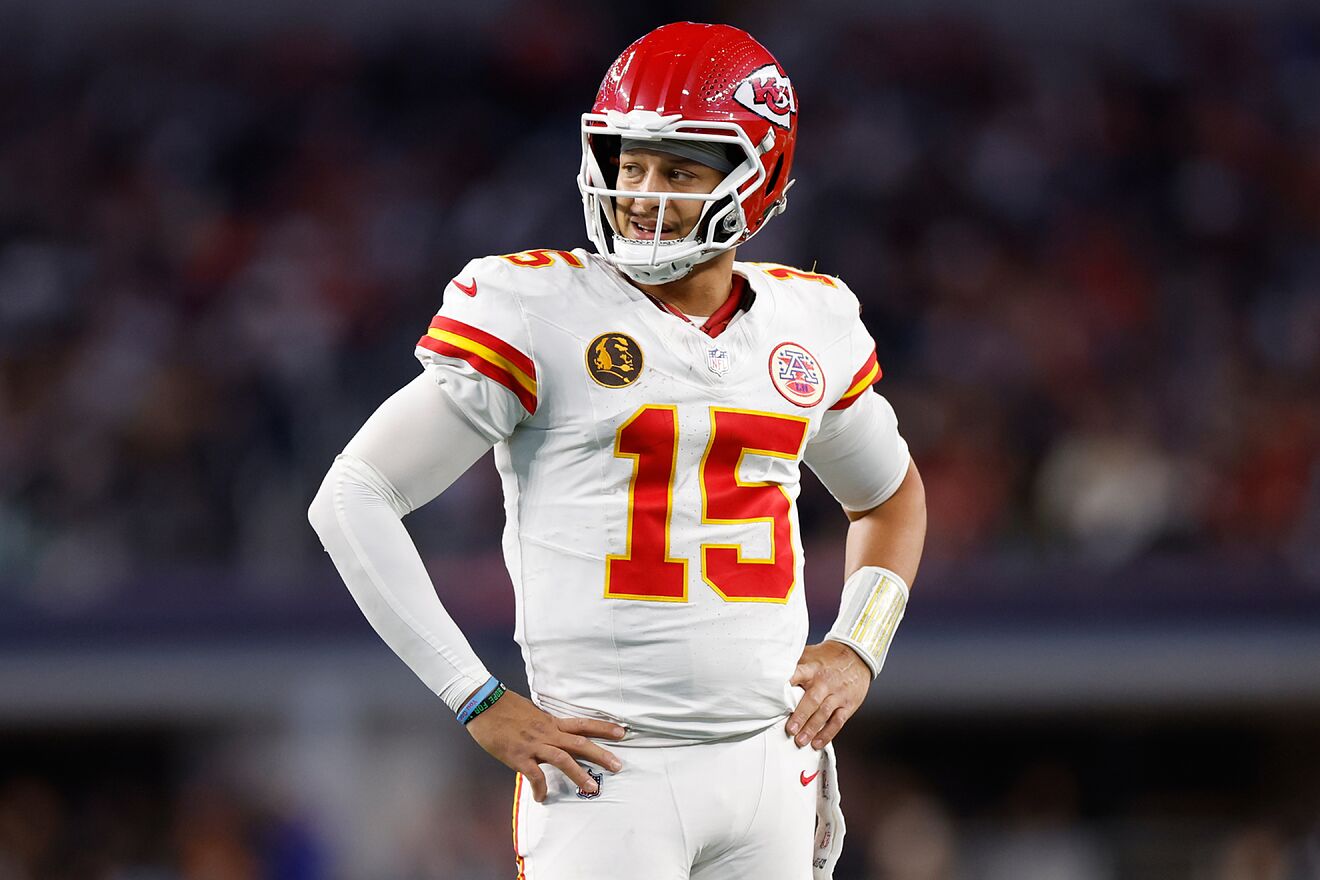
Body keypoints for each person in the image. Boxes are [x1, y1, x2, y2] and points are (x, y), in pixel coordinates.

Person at [308, 21, 926, 880]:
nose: (642, 191)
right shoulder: (537, 308)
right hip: (610, 775)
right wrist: (475, 698)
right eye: (629, 162)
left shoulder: (807, 321)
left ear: (760, 175)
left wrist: (860, 644)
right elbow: (352, 495)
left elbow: (889, 498)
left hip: (771, 760)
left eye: (678, 169)